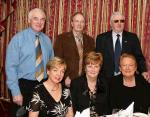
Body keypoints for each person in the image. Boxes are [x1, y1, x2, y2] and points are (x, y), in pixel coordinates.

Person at [5, 8, 54, 117]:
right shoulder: (18, 39)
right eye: (35, 19)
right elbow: (10, 67)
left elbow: (52, 65)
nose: (39, 22)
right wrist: (15, 91)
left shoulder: (47, 40)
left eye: (42, 19)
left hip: (42, 85)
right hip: (23, 86)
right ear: (29, 20)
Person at [95, 11, 149, 84]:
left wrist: (143, 71)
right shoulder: (101, 38)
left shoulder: (132, 38)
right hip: (106, 79)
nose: (119, 23)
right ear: (111, 23)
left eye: (122, 21)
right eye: (116, 21)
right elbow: (97, 59)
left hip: (127, 78)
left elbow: (139, 57)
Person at [54, 12, 95, 87]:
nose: (79, 24)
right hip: (67, 80)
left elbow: (91, 61)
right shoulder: (62, 39)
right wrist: (64, 77)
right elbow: (58, 60)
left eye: (82, 22)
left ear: (84, 24)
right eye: (77, 21)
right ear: (72, 23)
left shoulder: (90, 40)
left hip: (84, 81)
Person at [70, 51, 110, 116]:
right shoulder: (76, 84)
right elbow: (73, 108)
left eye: (96, 66)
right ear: (85, 68)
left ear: (100, 69)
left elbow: (107, 108)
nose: (93, 69)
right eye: (90, 66)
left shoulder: (105, 83)